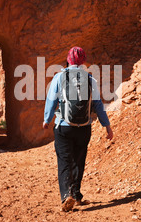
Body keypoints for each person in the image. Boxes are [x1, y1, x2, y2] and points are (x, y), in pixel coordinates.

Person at [43, 46, 113, 212]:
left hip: (64, 127)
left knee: (64, 160)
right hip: (84, 128)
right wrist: (107, 126)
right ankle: (76, 195)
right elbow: (98, 105)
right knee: (78, 161)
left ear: (68, 60)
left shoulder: (59, 77)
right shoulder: (90, 79)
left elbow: (52, 100)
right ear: (83, 61)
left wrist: (47, 119)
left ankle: (66, 196)